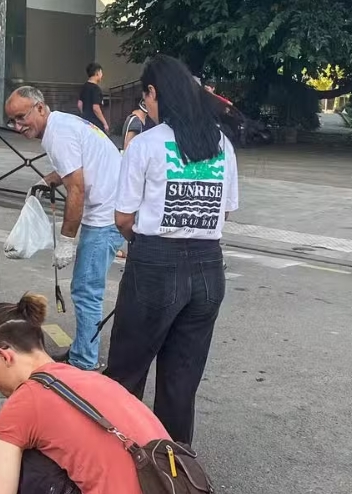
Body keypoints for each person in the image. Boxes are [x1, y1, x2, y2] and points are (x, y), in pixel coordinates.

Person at [103, 54, 238, 446]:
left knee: (126, 373)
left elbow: (123, 218)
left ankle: (117, 460)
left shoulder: (145, 145)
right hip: (208, 268)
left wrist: (141, 247)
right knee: (182, 381)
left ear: (153, 92)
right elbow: (225, 210)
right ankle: (173, 469)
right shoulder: (221, 144)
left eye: (146, 98)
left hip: (155, 263)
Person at [0, 292, 171, 494]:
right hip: (176, 483)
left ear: (4, 356)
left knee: (31, 463)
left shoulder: (23, 403)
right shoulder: (92, 380)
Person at [5, 86, 124, 372]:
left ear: (40, 108)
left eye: (21, 117)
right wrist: (49, 180)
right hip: (113, 206)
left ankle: (85, 361)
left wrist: (67, 240)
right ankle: (84, 349)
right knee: (86, 287)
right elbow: (77, 166)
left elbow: (78, 190)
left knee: (85, 288)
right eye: (12, 121)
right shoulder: (62, 124)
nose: (17, 126)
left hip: (106, 214)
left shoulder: (58, 133)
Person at [77, 62, 109, 133]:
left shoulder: (84, 87)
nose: (102, 75)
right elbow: (96, 108)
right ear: (97, 73)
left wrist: (85, 115)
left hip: (85, 122)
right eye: (101, 73)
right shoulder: (96, 89)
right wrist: (105, 123)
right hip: (95, 124)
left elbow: (79, 104)